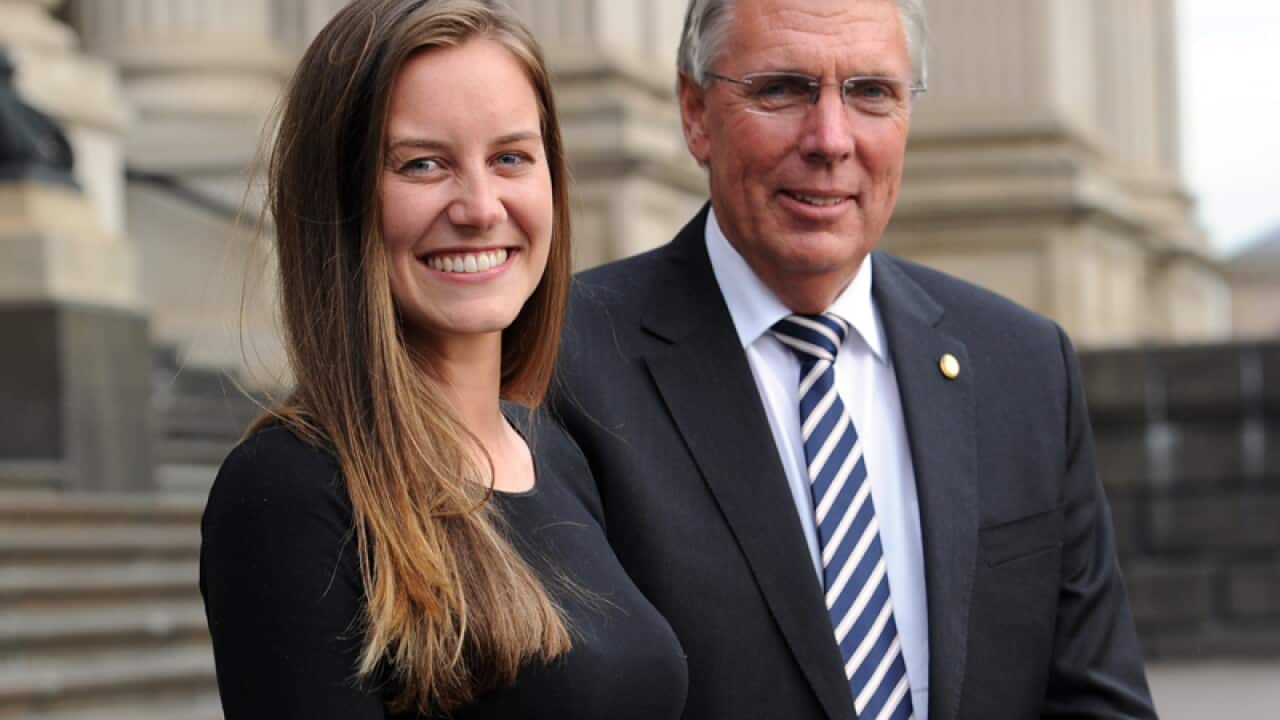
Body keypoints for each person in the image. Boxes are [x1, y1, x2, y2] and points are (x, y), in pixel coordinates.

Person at [551, 0, 1157, 718]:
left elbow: (1097, 701)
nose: (831, 139)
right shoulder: (563, 363)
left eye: (871, 93)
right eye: (782, 89)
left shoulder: (1024, 367)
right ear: (694, 113)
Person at [199, 1, 687, 718]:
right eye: (422, 164)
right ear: (337, 200)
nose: (481, 206)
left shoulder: (557, 453)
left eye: (510, 158)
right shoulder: (289, 492)